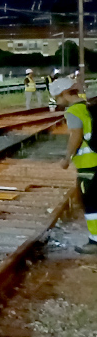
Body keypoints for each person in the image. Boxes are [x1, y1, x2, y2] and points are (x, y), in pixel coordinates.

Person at [51, 77, 97, 254]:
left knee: (91, 203)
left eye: (57, 98)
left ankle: (94, 242)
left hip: (89, 165)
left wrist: (66, 158)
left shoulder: (74, 111)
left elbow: (76, 136)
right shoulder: (89, 107)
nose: (58, 102)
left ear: (64, 94)